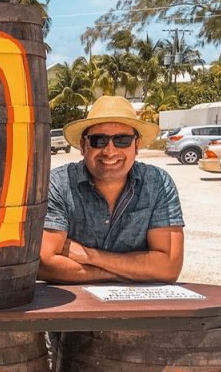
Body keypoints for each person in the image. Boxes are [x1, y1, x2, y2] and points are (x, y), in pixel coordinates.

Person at [38, 96, 185, 284]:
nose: (109, 151)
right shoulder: (59, 183)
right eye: (98, 140)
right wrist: (127, 272)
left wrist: (91, 256)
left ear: (136, 146)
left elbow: (168, 268)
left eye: (122, 140)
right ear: (83, 146)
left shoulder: (158, 183)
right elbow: (44, 263)